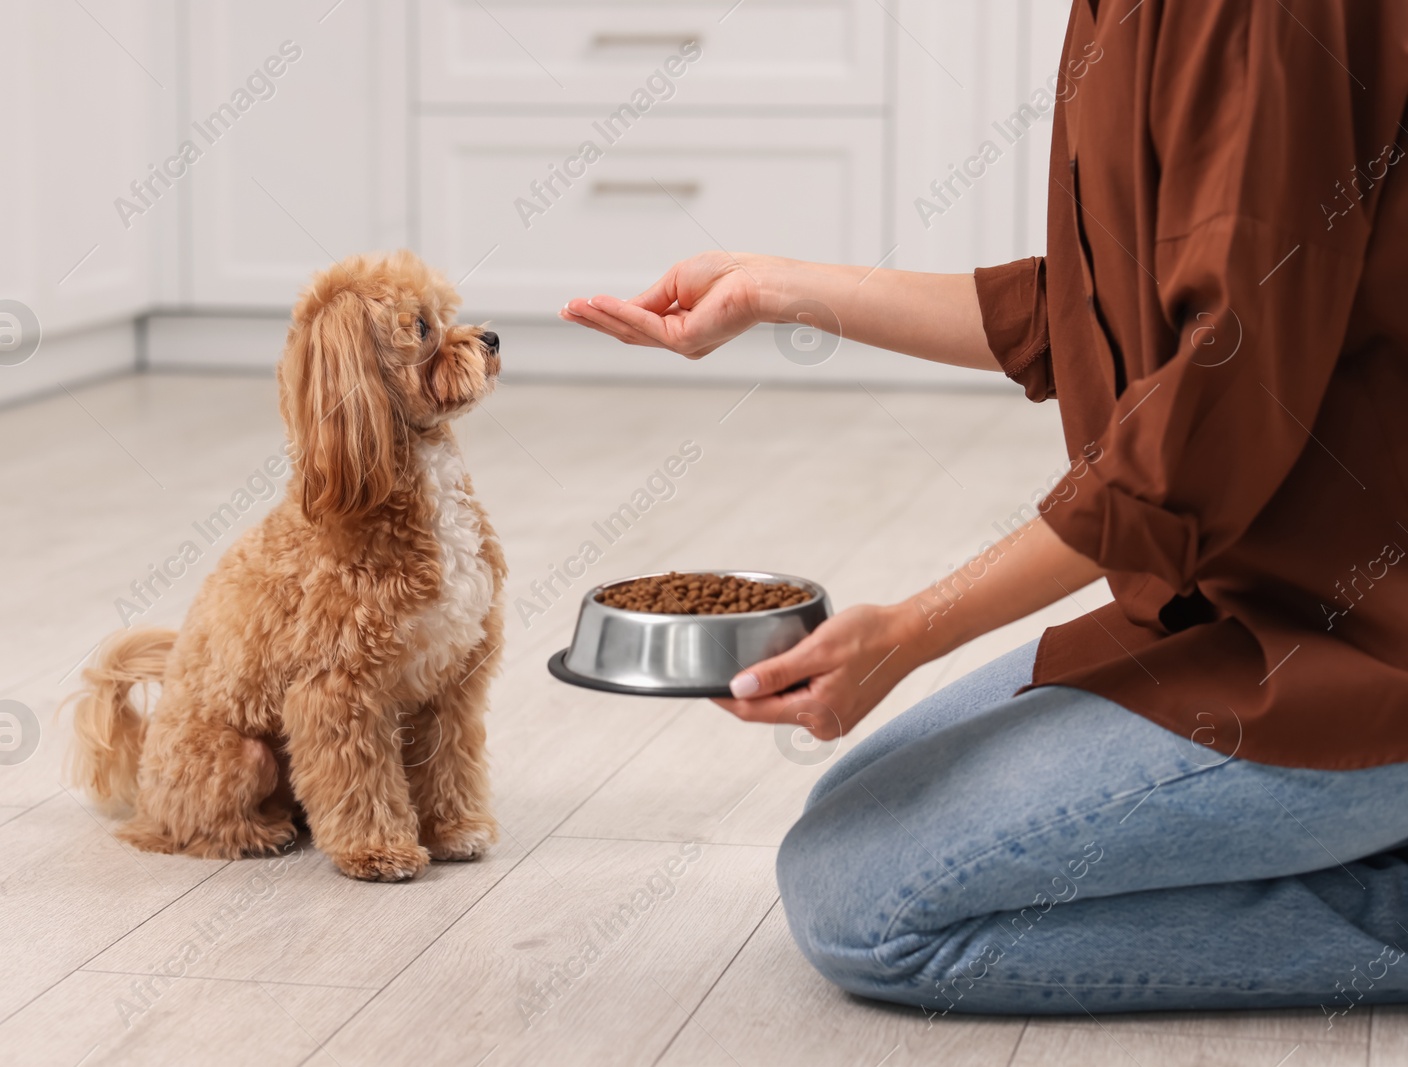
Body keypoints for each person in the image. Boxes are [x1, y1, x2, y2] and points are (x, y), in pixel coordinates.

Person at [561, 0, 1408, 1017]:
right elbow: (1103, 316)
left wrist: (916, 628)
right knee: (851, 811)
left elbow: (1208, 409)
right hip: (1238, 612)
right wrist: (773, 290)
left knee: (866, 905)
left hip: (1359, 651)